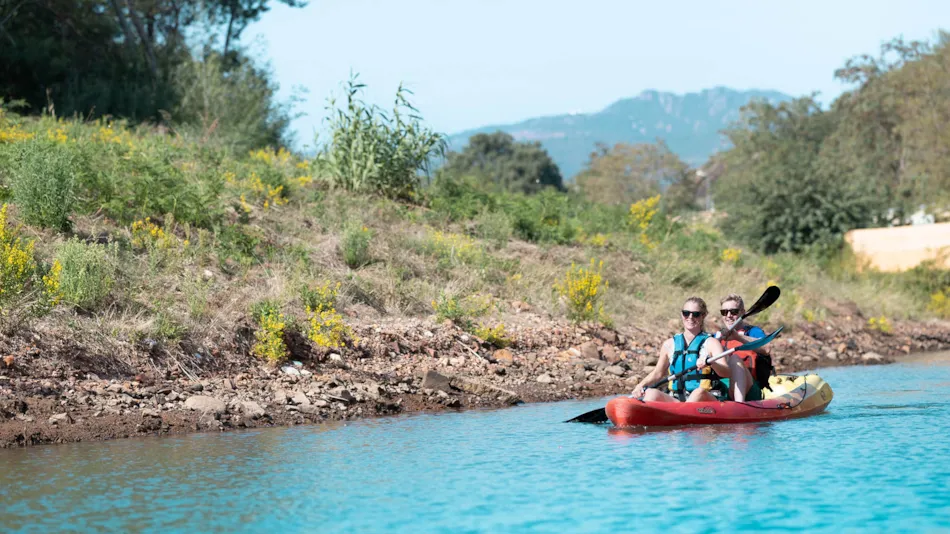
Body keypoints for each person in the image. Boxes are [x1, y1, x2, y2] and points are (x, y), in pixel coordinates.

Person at [632, 296, 754, 402]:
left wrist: (712, 363)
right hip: (678, 400)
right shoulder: (669, 344)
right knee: (651, 393)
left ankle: (681, 418)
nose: (690, 317)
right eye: (686, 313)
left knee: (698, 392)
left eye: (695, 314)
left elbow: (726, 372)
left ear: (703, 316)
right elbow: (657, 373)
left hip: (706, 399)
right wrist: (640, 385)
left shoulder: (711, 343)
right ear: (682, 314)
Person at [714, 293, 768, 401]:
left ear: (742, 312)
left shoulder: (753, 331)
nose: (728, 315)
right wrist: (716, 341)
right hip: (723, 387)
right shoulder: (717, 336)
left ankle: (740, 405)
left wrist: (738, 337)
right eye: (724, 312)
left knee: (734, 359)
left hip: (750, 388)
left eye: (733, 312)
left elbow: (766, 348)